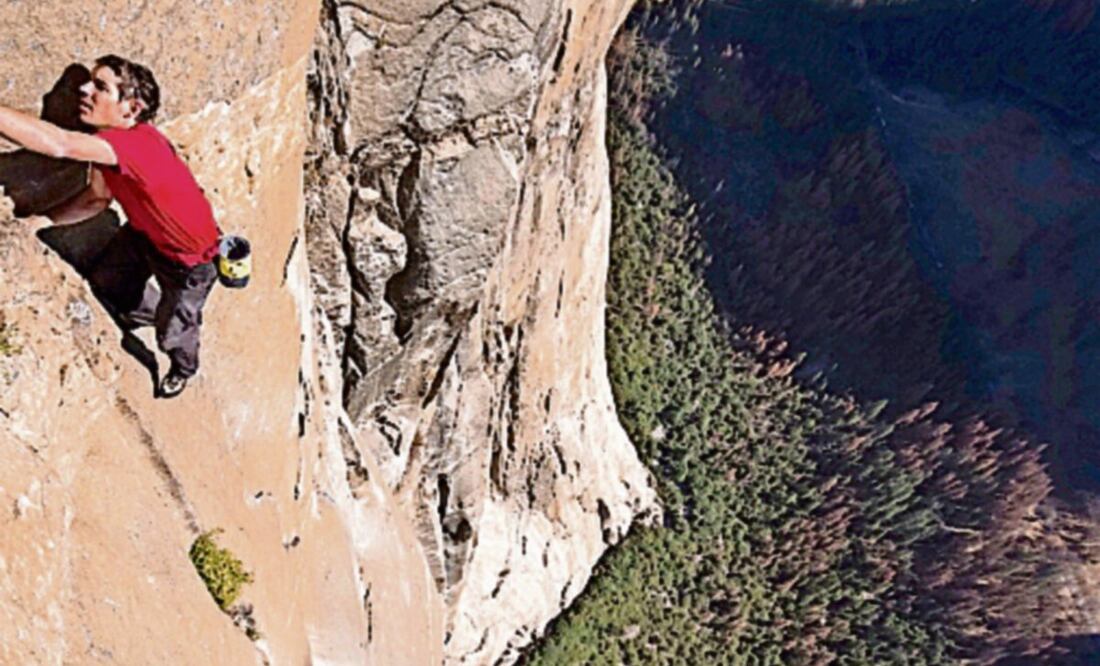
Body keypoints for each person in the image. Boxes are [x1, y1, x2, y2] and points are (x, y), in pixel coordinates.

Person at [0, 55, 220, 398]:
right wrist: (38, 224)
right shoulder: (112, 145)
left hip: (188, 262)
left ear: (131, 109)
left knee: (173, 332)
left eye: (100, 87)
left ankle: (183, 366)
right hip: (144, 235)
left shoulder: (135, 146)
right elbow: (96, 199)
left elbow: (61, 144)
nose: (84, 90)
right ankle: (154, 312)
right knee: (109, 282)